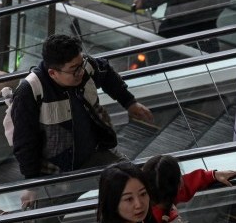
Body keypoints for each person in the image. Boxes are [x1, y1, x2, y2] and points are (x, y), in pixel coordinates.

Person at [10, 33, 153, 181]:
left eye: (81, 64)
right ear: (53, 73)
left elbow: (106, 73)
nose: (81, 72)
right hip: (56, 172)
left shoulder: (84, 65)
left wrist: (129, 102)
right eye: (74, 69)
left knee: (135, 182)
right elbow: (25, 140)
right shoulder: (30, 91)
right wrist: (32, 182)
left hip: (96, 152)